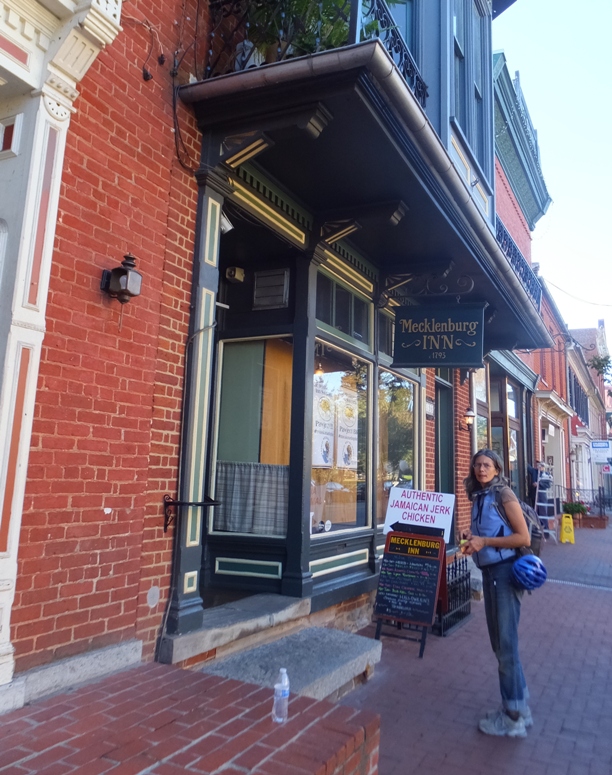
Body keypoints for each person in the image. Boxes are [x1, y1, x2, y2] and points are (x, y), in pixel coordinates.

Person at [461, 449, 532, 738]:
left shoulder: (504, 495)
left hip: (504, 574)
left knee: (505, 647)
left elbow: (523, 537)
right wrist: (471, 540)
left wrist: (485, 541)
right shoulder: (480, 496)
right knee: (502, 645)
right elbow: (485, 537)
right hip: (490, 574)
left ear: (497, 468)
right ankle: (519, 707)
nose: (481, 469)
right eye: (477, 465)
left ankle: (513, 718)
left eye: (486, 465)